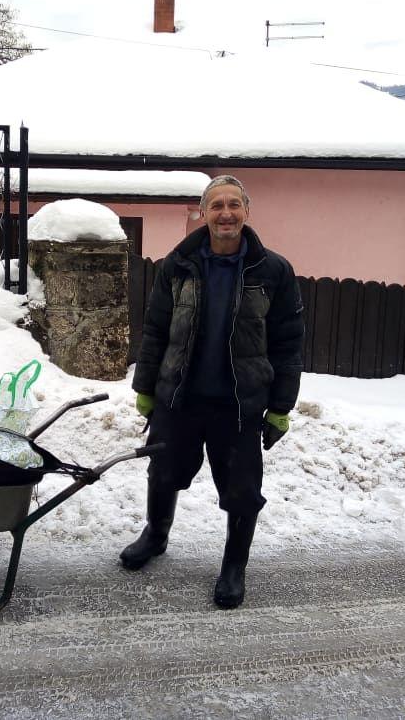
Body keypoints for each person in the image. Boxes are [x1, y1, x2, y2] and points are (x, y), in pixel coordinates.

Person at [122, 175, 305, 609]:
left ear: (247, 211)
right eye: (216, 205)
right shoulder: (178, 263)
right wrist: (146, 388)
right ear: (203, 213)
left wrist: (281, 407)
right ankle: (155, 534)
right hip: (179, 397)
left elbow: (289, 342)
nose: (226, 213)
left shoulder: (272, 270)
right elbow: (155, 330)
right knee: (163, 472)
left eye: (234, 205)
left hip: (239, 405)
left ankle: (233, 567)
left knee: (242, 489)